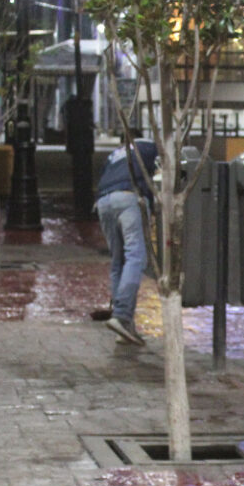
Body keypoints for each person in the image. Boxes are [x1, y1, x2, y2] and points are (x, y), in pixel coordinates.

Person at [94, 136, 158, 345]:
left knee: (118, 261)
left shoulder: (116, 153)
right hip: (129, 197)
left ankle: (123, 325)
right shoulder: (150, 147)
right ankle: (122, 316)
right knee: (136, 257)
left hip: (103, 201)